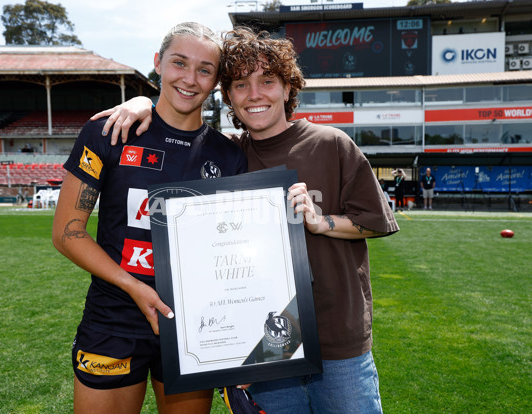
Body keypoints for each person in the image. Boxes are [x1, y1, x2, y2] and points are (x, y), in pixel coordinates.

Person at [92, 27, 399, 414]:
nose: (254, 94)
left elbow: (375, 220)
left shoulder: (332, 144)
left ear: (288, 88)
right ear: (229, 97)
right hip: (264, 350)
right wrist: (140, 102)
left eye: (267, 81)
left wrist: (321, 222)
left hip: (338, 343)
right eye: (240, 85)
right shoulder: (226, 158)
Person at [52, 22, 247, 414]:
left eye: (205, 70)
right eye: (179, 63)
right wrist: (134, 287)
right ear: (158, 63)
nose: (190, 79)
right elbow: (67, 233)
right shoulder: (108, 131)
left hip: (193, 327)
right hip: (114, 318)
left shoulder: (230, 156)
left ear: (215, 82)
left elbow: (234, 251)